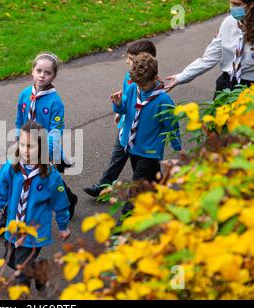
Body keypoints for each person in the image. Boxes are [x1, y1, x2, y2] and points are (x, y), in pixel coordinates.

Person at [0, 121, 71, 290]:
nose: (25, 149)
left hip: (34, 232)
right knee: (10, 259)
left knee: (21, 272)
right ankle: (39, 269)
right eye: (22, 144)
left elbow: (61, 203)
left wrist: (63, 226)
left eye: (30, 146)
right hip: (12, 227)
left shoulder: (50, 175)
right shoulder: (12, 167)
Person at [111, 53, 186, 223]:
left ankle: (123, 224)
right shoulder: (132, 89)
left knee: (135, 187)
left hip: (150, 150)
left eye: (144, 84)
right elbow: (124, 110)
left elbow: (171, 126)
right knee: (152, 179)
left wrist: (177, 146)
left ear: (155, 78)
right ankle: (162, 205)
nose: (141, 87)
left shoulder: (163, 100)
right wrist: (117, 105)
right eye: (138, 84)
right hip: (132, 146)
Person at [83, 39, 157, 198]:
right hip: (125, 126)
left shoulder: (154, 85)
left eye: (130, 59)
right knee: (117, 157)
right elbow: (126, 97)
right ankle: (104, 187)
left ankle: (149, 190)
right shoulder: (128, 76)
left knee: (146, 164)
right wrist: (120, 111)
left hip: (141, 134)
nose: (126, 61)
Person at [14, 52, 78, 219]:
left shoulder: (55, 102)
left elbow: (56, 131)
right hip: (26, 146)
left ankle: (68, 199)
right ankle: (9, 214)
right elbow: (19, 121)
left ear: (54, 75)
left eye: (47, 72)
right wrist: (18, 141)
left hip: (45, 150)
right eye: (39, 70)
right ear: (32, 71)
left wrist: (44, 151)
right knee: (18, 177)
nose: (42, 75)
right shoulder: (24, 94)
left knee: (48, 179)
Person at [165, 0, 254, 96]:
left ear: (251, 5)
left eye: (237, 4)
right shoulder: (228, 23)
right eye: (231, 3)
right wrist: (181, 77)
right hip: (227, 84)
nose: (232, 8)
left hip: (250, 87)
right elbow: (209, 58)